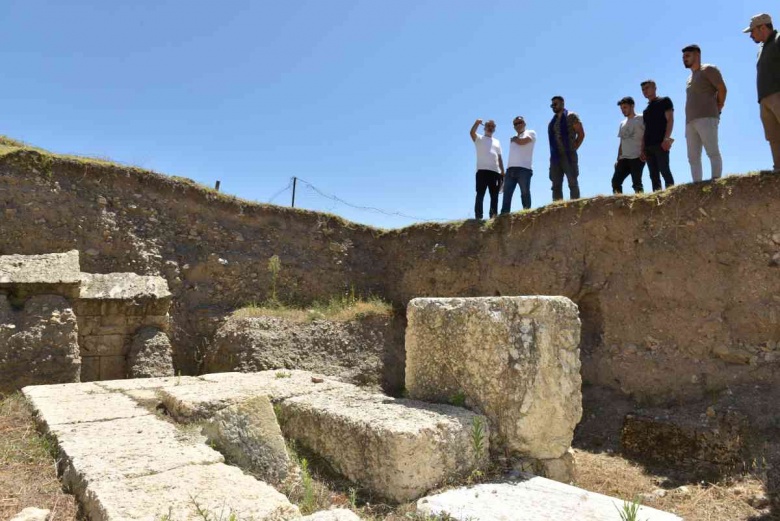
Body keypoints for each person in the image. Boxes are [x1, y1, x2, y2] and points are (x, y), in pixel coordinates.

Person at [682, 44, 727, 182]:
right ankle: (697, 185)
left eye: (687, 56)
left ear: (697, 55)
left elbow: (722, 89)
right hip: (690, 122)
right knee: (692, 156)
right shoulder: (690, 78)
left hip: (707, 117)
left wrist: (719, 107)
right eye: (683, 57)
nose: (684, 59)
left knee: (712, 151)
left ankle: (716, 180)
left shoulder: (708, 69)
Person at [744, 13, 780, 172]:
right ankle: (778, 170)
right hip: (764, 99)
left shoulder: (779, 40)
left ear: (763, 27)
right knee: (773, 137)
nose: (751, 35)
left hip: (778, 94)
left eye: (752, 31)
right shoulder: (762, 48)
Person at [548, 96, 585, 201]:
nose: (553, 107)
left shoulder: (572, 116)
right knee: (556, 185)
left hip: (568, 154)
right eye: (552, 105)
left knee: (572, 181)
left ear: (562, 103)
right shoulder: (552, 123)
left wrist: (574, 148)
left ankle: (575, 205)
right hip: (555, 157)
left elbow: (581, 134)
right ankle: (557, 208)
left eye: (555, 104)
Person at [640, 80, 675, 191]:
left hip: (661, 143)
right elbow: (645, 130)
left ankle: (671, 195)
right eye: (643, 89)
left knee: (665, 171)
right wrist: (642, 149)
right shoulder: (646, 111)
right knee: (653, 176)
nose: (645, 91)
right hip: (648, 146)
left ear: (655, 88)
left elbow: (670, 120)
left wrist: (666, 139)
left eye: (647, 87)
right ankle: (658, 199)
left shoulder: (664, 101)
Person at [470, 119, 504, 219]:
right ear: (484, 127)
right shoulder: (479, 138)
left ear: (494, 129)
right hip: (482, 171)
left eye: (492, 126)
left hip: (495, 172)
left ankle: (493, 217)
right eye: (488, 125)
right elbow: (472, 133)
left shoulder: (497, 142)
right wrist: (476, 123)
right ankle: (478, 217)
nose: (490, 127)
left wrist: (502, 171)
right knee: (480, 194)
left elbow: (499, 157)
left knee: (494, 196)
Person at [501, 116, 536, 213]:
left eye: (520, 122)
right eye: (515, 124)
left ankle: (527, 212)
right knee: (507, 194)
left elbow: (524, 141)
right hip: (510, 170)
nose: (518, 125)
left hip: (524, 169)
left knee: (525, 192)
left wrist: (515, 139)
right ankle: (504, 215)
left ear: (524, 123)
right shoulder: (513, 139)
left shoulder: (530, 132)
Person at [612, 97, 645, 194]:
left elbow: (647, 135)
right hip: (624, 158)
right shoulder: (622, 123)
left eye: (625, 107)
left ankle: (641, 203)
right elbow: (622, 142)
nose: (623, 110)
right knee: (615, 182)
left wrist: (644, 151)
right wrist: (618, 159)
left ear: (632, 106)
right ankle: (619, 204)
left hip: (637, 156)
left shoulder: (641, 118)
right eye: (621, 108)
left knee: (637, 183)